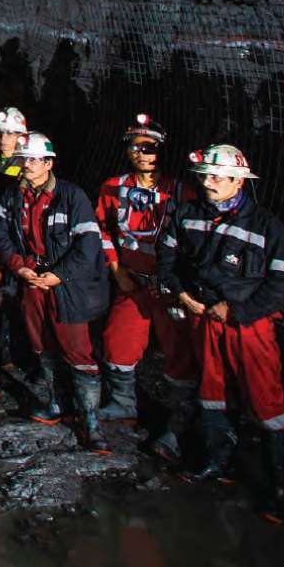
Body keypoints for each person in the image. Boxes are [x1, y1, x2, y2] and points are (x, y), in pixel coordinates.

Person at [157, 144, 284, 524]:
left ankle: (279, 489)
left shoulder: (267, 226)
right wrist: (182, 293)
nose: (208, 183)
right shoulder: (186, 214)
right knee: (211, 391)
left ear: (239, 181)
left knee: (266, 400)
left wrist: (238, 311)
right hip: (203, 316)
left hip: (248, 326)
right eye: (204, 176)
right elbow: (166, 259)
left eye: (217, 177)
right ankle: (217, 462)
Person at [0, 133, 111, 451]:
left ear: (48, 163)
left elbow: (89, 244)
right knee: (42, 345)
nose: (26, 165)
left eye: (32, 159)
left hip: (67, 287)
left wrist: (59, 275)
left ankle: (91, 423)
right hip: (32, 281)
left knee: (78, 351)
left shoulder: (71, 196)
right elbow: (0, 236)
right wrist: (19, 267)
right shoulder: (13, 196)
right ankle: (57, 403)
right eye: (23, 159)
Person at [96, 114, 200, 460]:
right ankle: (122, 403)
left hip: (168, 287)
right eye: (134, 147)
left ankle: (180, 421)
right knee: (117, 339)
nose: (141, 153)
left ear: (161, 151)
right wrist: (116, 269)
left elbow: (193, 240)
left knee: (178, 349)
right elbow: (103, 230)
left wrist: (176, 281)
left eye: (148, 147)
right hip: (132, 281)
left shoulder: (180, 192)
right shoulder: (114, 187)